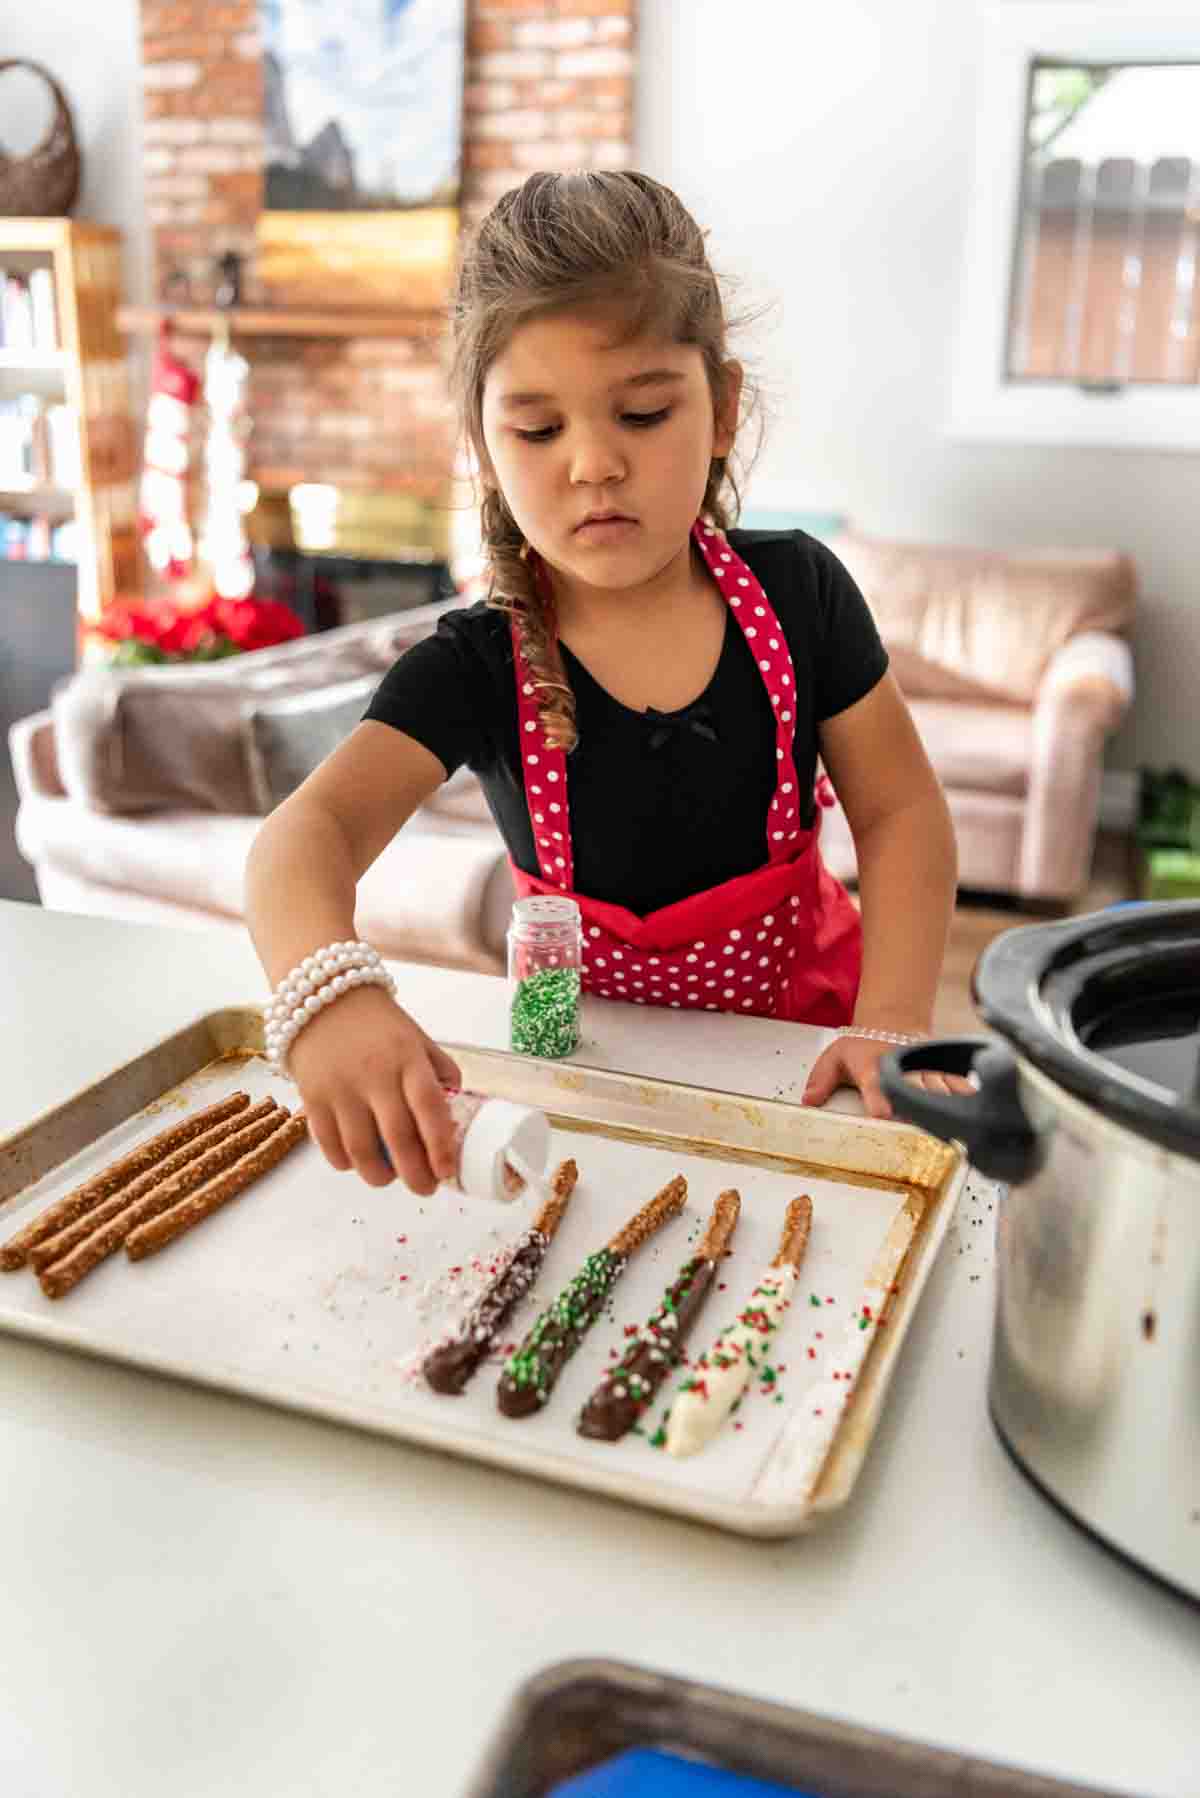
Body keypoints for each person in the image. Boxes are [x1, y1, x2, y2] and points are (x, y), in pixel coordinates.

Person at [244, 170, 959, 1197]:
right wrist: (329, 995)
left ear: (722, 409)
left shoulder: (803, 592)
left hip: (793, 1066)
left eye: (642, 412)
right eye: (538, 431)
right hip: (580, 1083)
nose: (593, 464)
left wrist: (890, 1022)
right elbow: (299, 843)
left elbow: (900, 811)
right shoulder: (477, 663)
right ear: (484, 450)